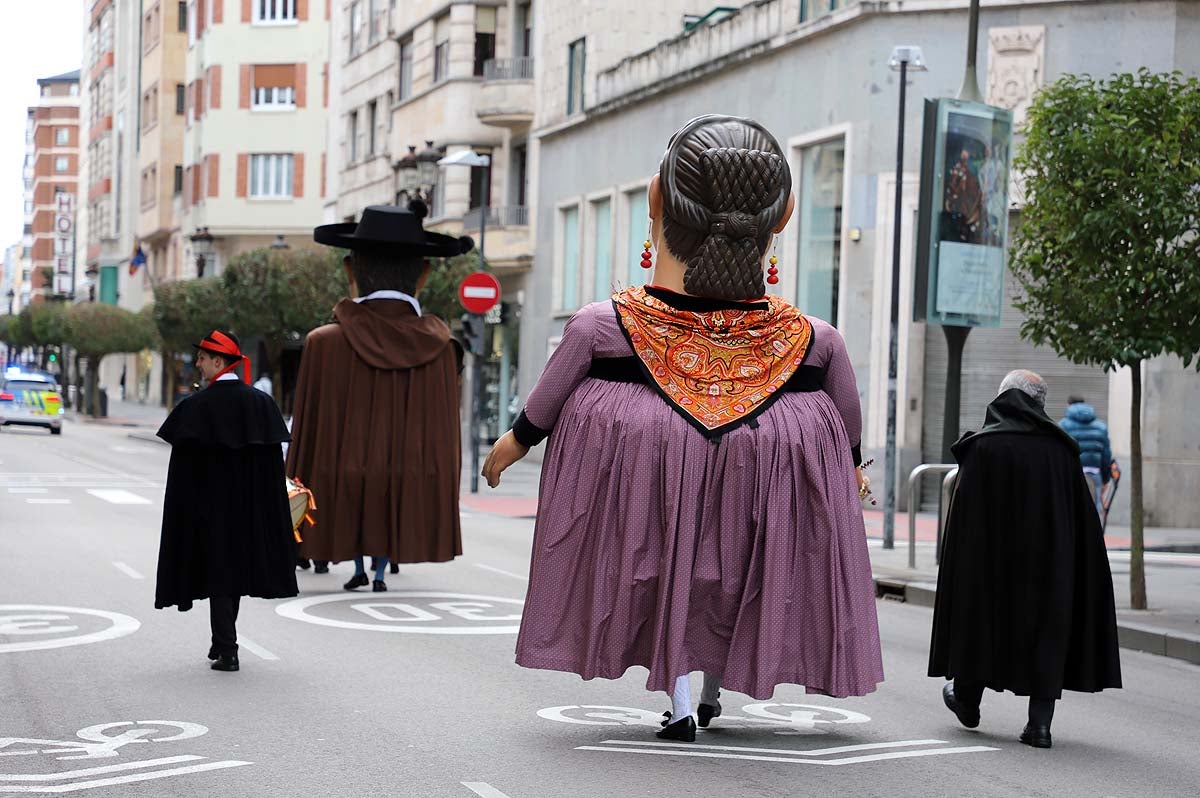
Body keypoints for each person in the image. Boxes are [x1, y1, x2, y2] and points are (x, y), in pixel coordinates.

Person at [483, 115, 883, 744]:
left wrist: (515, 442)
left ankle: (680, 699)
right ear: (782, 218)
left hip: (662, 482)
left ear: (656, 198)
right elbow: (846, 412)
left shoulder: (603, 326)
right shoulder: (813, 341)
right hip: (756, 480)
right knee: (729, 578)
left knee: (671, 568)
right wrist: (853, 465)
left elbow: (547, 400)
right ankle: (715, 684)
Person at [929, 370, 1122, 749]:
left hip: (989, 567)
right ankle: (1040, 726)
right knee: (1046, 632)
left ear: (1002, 399)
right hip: (1048, 567)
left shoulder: (982, 448)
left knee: (981, 622)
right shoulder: (1060, 451)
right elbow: (1079, 521)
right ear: (1039, 404)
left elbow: (963, 525)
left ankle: (967, 699)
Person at [287, 203, 471, 591]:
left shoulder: (322, 344)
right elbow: (444, 445)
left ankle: (359, 567)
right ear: (423, 275)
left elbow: (307, 439)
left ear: (350, 271)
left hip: (342, 481)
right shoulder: (443, 349)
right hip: (409, 482)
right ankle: (380, 572)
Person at [154, 331, 298, 673]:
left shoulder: (195, 407)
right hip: (248, 511)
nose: (198, 363)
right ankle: (222, 643)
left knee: (219, 574)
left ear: (219, 362)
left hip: (207, 511)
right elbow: (272, 469)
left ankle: (228, 649)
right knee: (229, 575)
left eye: (203, 357)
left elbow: (182, 475)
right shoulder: (261, 405)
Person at [1059, 395, 1114, 518]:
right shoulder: (1101, 427)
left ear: (1069, 405)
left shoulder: (1062, 426)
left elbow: (1059, 453)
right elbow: (1106, 455)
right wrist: (1105, 478)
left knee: (1070, 509)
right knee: (1096, 509)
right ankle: (1096, 536)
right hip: (1094, 473)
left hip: (1071, 473)